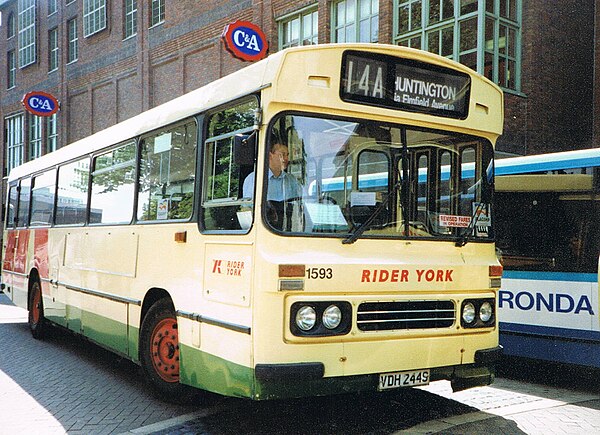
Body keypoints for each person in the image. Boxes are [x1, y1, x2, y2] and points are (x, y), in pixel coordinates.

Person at [243, 142, 302, 229]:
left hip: (290, 227)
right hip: (264, 228)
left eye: (287, 155)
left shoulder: (292, 180)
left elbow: (299, 203)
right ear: (270, 156)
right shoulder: (255, 178)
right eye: (282, 155)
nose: (286, 158)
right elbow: (247, 209)